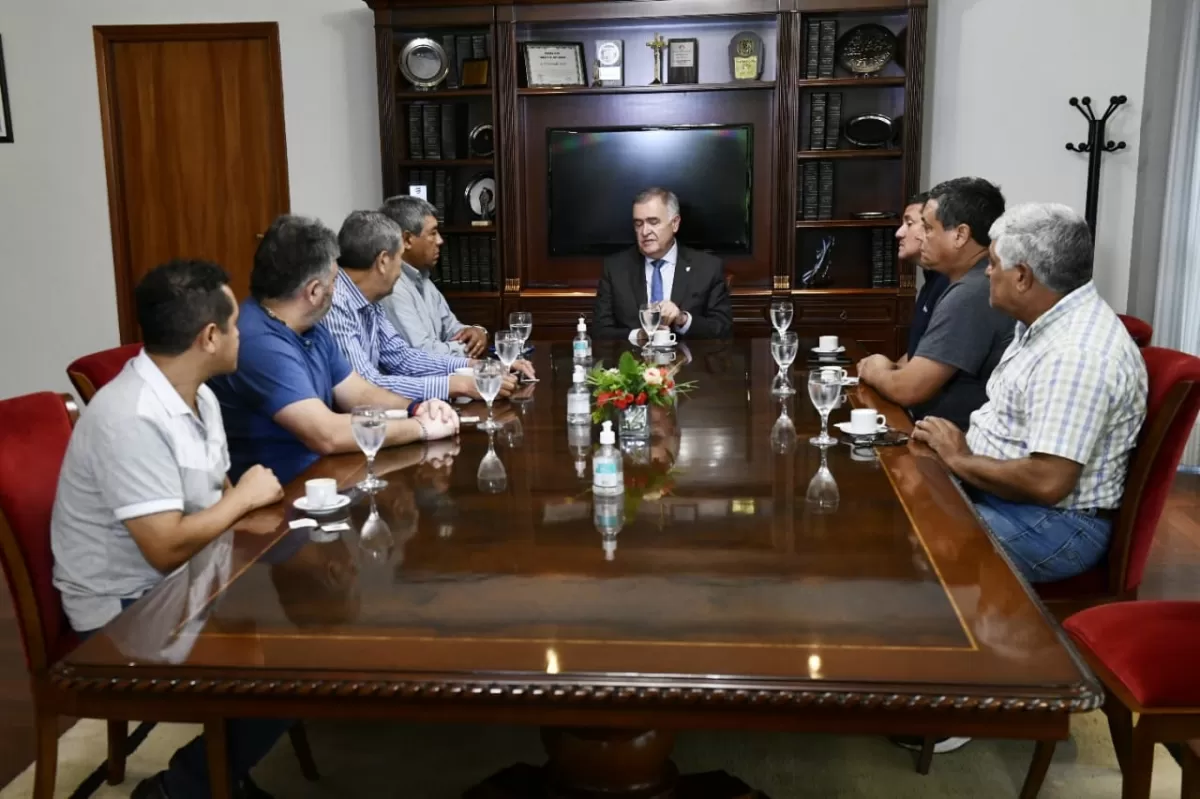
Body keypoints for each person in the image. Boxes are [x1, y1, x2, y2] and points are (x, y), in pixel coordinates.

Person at [50, 259, 289, 799]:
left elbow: (218, 492)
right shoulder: (132, 416)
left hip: (188, 582)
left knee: (314, 623)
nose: (240, 334)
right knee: (292, 672)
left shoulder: (198, 393)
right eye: (233, 325)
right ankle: (181, 789)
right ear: (209, 336)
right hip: (124, 612)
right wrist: (247, 498)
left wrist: (247, 509)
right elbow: (162, 547)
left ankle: (221, 771)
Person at [913, 202, 1148, 583]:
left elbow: (1046, 481)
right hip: (1006, 499)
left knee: (904, 546)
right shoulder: (1044, 321)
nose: (987, 272)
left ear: (1022, 276)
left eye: (992, 263)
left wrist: (959, 458)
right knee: (892, 505)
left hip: (1052, 526)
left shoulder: (1074, 354)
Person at [209, 214, 461, 485]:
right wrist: (421, 428)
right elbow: (326, 434)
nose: (337, 287)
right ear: (314, 292)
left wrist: (417, 408)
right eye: (333, 280)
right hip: (281, 499)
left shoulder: (309, 326)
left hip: (327, 478)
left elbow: (359, 393)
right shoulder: (259, 341)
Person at [323, 210, 530, 402]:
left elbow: (403, 358)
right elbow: (365, 386)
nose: (400, 270)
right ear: (384, 261)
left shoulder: (369, 299)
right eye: (399, 257)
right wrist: (457, 385)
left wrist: (479, 367)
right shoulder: (335, 303)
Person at [857, 177, 1013, 430]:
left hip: (958, 445)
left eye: (928, 228)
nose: (922, 238)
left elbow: (908, 389)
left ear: (960, 235)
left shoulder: (971, 292)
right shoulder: (972, 281)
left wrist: (875, 368)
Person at [592, 187, 733, 342]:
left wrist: (682, 319)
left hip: (689, 363)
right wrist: (638, 335)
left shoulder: (707, 268)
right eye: (638, 224)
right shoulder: (615, 268)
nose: (644, 231)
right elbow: (600, 332)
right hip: (633, 362)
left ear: (675, 224)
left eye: (653, 222)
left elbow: (722, 329)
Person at [379, 195, 490, 358]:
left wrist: (478, 332)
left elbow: (452, 329)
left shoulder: (423, 279)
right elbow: (423, 353)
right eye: (433, 233)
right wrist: (470, 348)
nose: (440, 240)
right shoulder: (392, 288)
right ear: (407, 240)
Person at [898, 192, 949, 362]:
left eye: (909, 223)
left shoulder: (949, 283)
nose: (899, 233)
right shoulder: (931, 279)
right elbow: (917, 353)